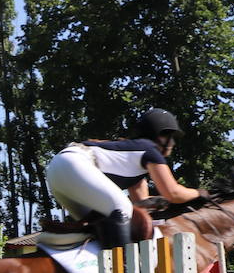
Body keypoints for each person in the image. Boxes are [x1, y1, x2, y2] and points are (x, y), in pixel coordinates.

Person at [45, 107, 203, 249]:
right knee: (122, 210)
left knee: (97, 226)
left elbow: (142, 204)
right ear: (159, 135)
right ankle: (127, 271)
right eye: (171, 136)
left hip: (57, 172)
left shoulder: (135, 165)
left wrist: (161, 205)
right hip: (73, 163)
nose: (173, 143)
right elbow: (173, 192)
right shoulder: (150, 149)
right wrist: (201, 193)